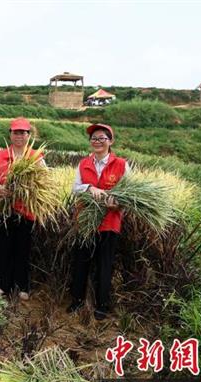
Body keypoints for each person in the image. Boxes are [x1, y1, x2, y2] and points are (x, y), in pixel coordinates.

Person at [67, 123, 130, 320]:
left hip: (109, 222)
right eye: (94, 138)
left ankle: (102, 305)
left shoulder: (121, 164)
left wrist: (117, 203)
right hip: (85, 222)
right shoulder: (84, 163)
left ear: (110, 141)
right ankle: (77, 300)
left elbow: (130, 194)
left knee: (105, 264)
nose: (97, 141)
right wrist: (88, 188)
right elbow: (74, 188)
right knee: (81, 262)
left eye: (102, 138)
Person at [0, 117, 45, 301]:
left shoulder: (36, 157)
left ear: (29, 135)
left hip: (26, 211)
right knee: (4, 248)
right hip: (4, 210)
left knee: (23, 249)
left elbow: (45, 181)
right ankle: (4, 285)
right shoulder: (2, 155)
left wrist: (29, 189)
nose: (19, 136)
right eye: (16, 132)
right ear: (10, 134)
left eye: (23, 132)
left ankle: (22, 286)